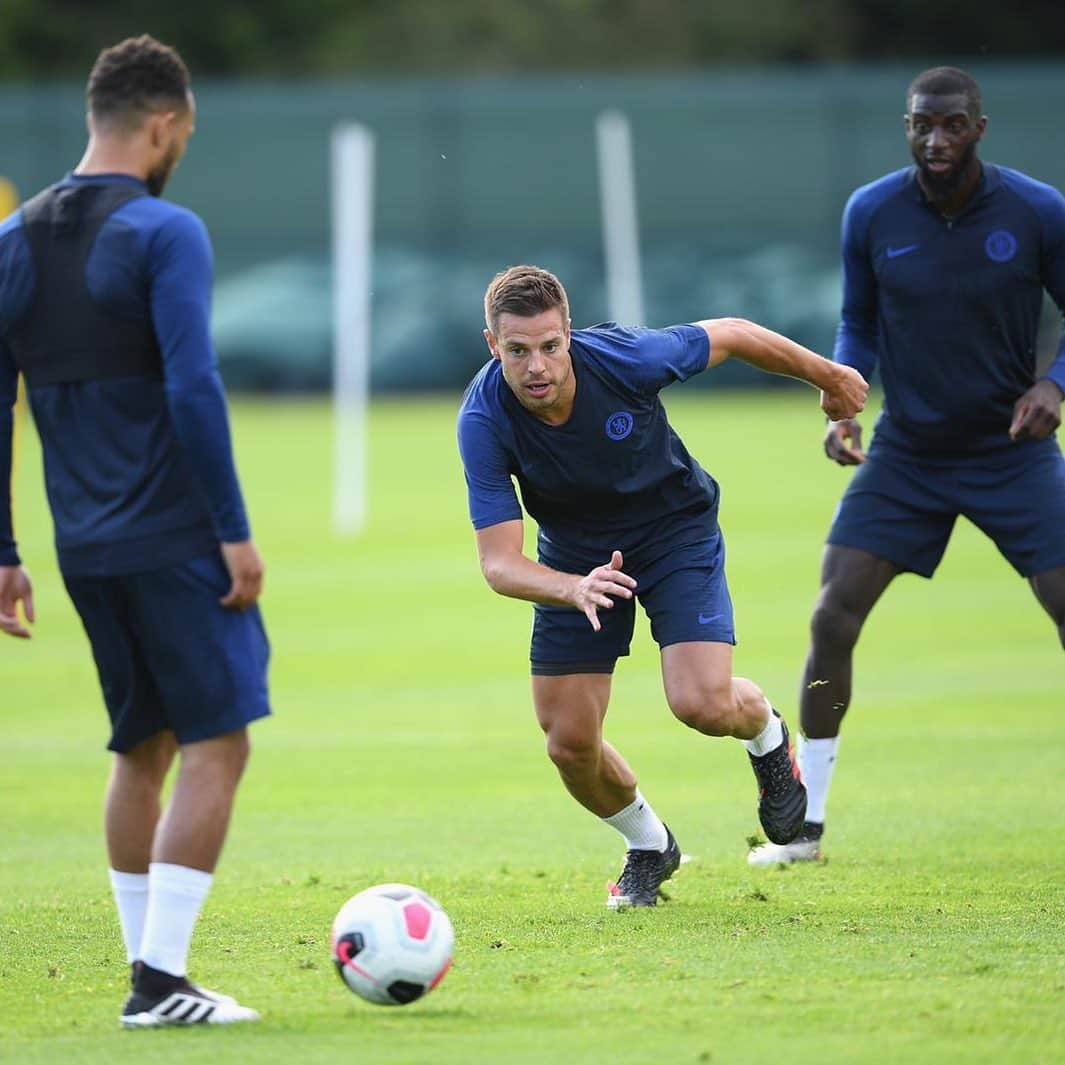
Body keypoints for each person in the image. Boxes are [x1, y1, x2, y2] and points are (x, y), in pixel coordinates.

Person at [0, 36, 268, 1025]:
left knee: (140, 748)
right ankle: (158, 982)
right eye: (183, 135)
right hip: (172, 536)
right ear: (163, 125)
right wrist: (233, 532)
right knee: (218, 746)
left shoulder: (11, 243)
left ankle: (149, 969)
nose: (180, 148)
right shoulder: (166, 231)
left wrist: (1, 551)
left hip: (83, 549)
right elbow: (193, 387)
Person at [457, 265, 867, 908]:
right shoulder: (484, 418)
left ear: (569, 333)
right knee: (568, 744)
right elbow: (498, 563)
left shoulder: (623, 358)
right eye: (517, 351)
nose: (536, 366)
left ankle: (765, 733)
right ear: (492, 345)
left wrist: (830, 377)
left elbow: (730, 333)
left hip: (674, 531)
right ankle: (650, 846)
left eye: (549, 346)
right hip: (576, 562)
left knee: (701, 704)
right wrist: (572, 587)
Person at [748, 66, 1065, 866]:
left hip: (1012, 454)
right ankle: (805, 825)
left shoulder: (1035, 211)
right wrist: (844, 397)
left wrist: (1054, 384)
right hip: (908, 456)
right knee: (830, 618)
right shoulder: (872, 211)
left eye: (951, 124)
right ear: (907, 126)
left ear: (978, 129)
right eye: (922, 124)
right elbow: (858, 322)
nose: (935, 139)